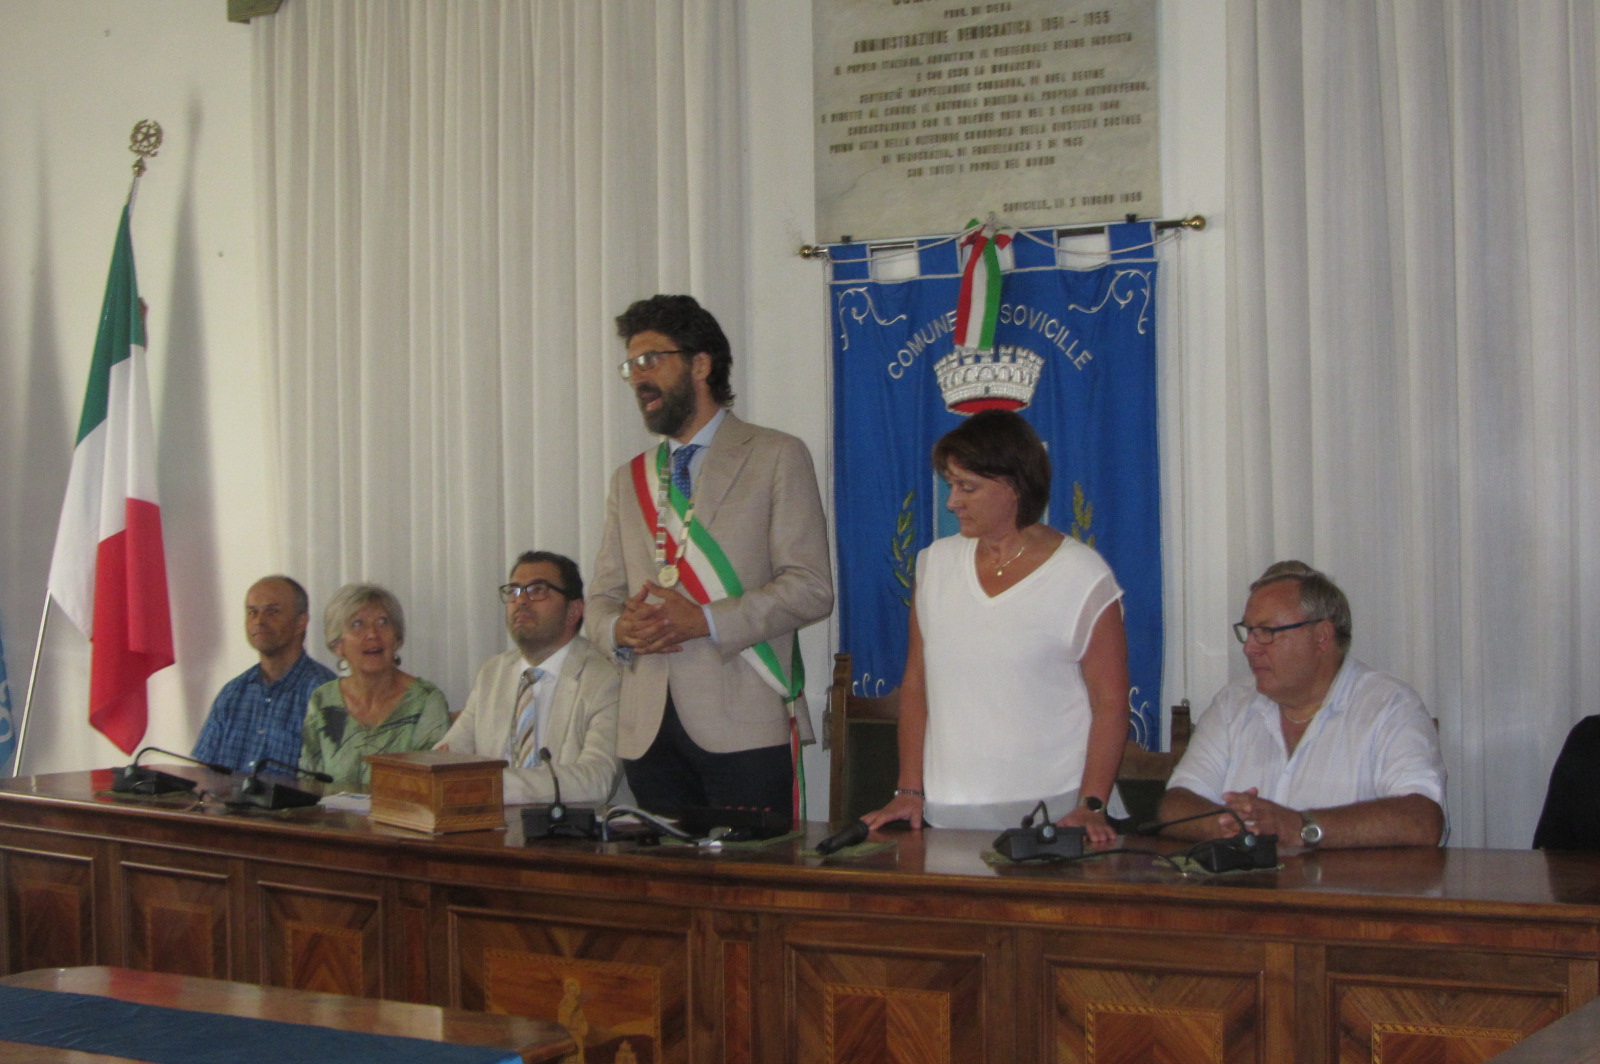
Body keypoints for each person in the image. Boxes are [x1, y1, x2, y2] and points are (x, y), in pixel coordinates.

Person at [587, 294, 833, 817]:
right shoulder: (629, 479)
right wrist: (619, 630)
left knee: (753, 871)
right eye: (630, 366)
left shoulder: (775, 455)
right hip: (647, 733)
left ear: (701, 364)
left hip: (744, 723)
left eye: (650, 360)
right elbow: (601, 600)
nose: (637, 378)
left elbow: (811, 588)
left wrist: (705, 621)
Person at [859, 410, 1130, 843]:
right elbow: (916, 684)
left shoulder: (1082, 575)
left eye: (967, 487)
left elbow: (1111, 702)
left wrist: (1091, 805)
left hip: (1056, 816)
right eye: (951, 485)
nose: (952, 502)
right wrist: (909, 791)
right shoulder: (934, 565)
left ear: (1015, 485)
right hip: (949, 814)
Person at [1157, 562, 1446, 848]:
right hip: (1250, 879)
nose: (1249, 648)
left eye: (1266, 631)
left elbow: (1421, 821)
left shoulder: (1390, 705)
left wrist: (1300, 827)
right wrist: (1232, 825)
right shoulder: (1232, 704)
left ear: (1321, 637)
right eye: (1249, 631)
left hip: (1349, 880)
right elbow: (1175, 805)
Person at [437, 552, 622, 805]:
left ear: (573, 611)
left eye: (537, 590)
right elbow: (448, 756)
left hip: (566, 827)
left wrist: (494, 785)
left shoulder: (605, 678)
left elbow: (597, 779)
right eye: (514, 591)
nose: (521, 601)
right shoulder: (492, 673)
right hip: (487, 824)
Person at [301, 583, 450, 790]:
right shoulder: (323, 700)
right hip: (329, 812)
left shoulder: (425, 700)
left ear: (396, 638)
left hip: (401, 811)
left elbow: (428, 784)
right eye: (357, 624)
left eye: (382, 622)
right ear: (338, 645)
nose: (372, 634)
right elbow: (308, 781)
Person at [192, 575, 335, 773]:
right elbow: (203, 772)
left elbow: (335, 781)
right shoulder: (233, 693)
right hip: (225, 795)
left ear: (301, 622)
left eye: (273, 611)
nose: (259, 621)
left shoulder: (325, 693)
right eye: (252, 612)